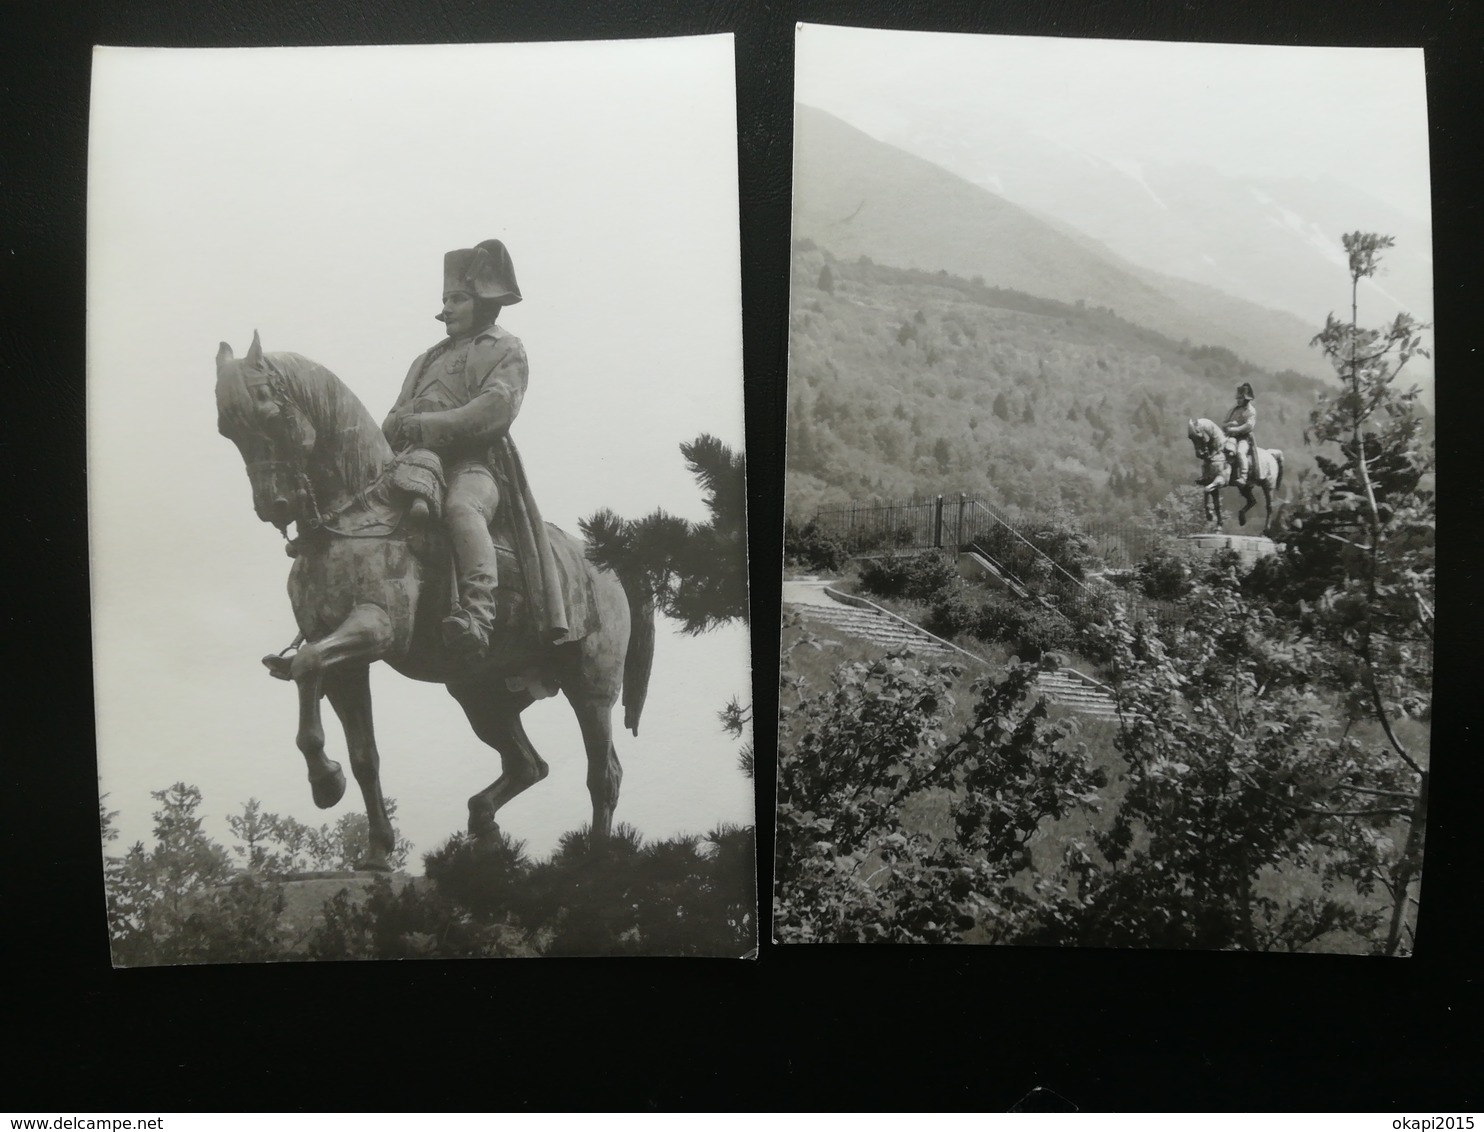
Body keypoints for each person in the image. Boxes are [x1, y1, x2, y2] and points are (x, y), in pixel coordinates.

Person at [383, 239, 568, 659]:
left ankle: (478, 616)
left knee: (461, 509)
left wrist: (427, 424)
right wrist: (396, 426)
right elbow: (395, 414)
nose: (445, 308)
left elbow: (495, 408)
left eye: (457, 299)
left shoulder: (505, 347)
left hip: (474, 465)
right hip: (413, 463)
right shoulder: (425, 359)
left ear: (482, 303)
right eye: (445, 299)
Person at [1222, 382, 1257, 485]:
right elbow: (1224, 423)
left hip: (1244, 438)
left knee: (1241, 452)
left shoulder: (1251, 411)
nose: (1238, 400)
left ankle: (1243, 476)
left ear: (1246, 399)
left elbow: (1248, 426)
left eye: (1241, 398)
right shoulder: (1233, 410)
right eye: (1238, 398)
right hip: (1230, 436)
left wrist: (1235, 429)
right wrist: (1228, 424)